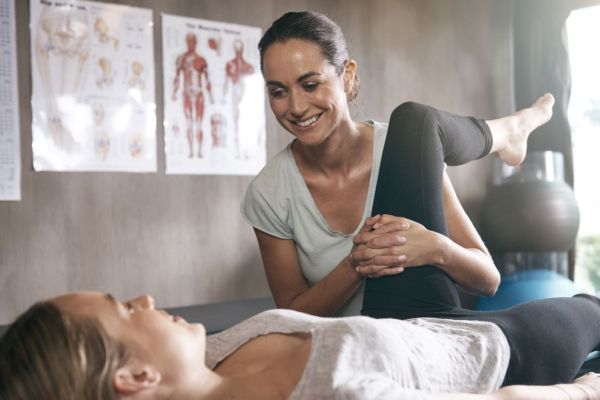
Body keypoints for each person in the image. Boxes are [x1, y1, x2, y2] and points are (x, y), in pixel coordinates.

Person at [241, 10, 555, 318]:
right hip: (354, 349)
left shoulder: (406, 150)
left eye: (310, 85)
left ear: (347, 76)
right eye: (278, 92)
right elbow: (291, 313)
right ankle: (507, 131)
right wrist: (354, 266)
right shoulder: (269, 192)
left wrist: (435, 247)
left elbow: (488, 278)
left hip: (427, 325)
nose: (295, 107)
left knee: (414, 121)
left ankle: (509, 132)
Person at [2, 291, 600, 399]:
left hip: (420, 318)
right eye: (126, 311)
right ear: (134, 378)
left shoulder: (203, 359)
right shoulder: (338, 395)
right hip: (505, 352)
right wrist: (581, 390)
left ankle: (510, 133)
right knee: (591, 310)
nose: (146, 299)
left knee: (414, 126)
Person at [172, 32, 214, 159]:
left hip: (199, 93)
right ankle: (191, 151)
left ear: (195, 42)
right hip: (187, 94)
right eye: (189, 41)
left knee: (199, 123)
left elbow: (207, 79)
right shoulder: (181, 59)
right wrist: (174, 92)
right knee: (189, 122)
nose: (191, 44)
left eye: (193, 41)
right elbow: (177, 77)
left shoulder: (201, 60)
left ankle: (199, 151)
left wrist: (211, 96)